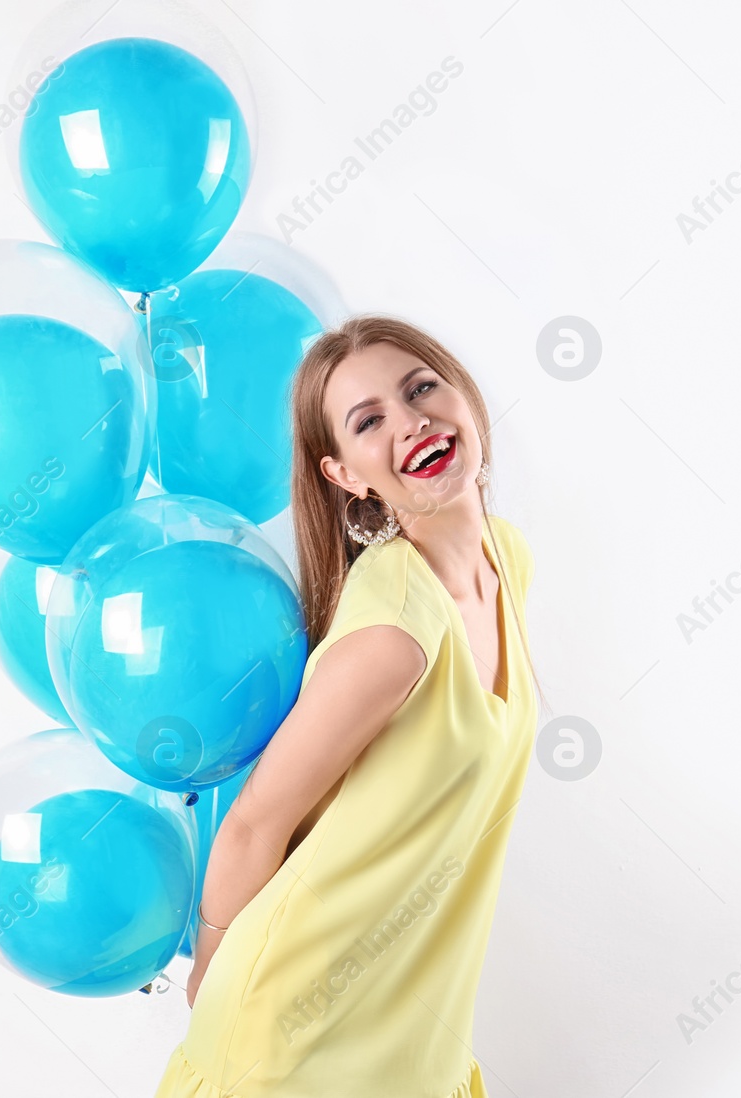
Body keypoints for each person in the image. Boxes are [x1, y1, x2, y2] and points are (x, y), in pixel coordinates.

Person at [155, 315, 541, 1097]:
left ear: (463, 393)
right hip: (297, 1041)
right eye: (371, 422)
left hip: (407, 1041)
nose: (412, 422)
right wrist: (211, 970)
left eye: (422, 387)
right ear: (345, 476)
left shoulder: (507, 559)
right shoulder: (396, 630)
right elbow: (257, 822)